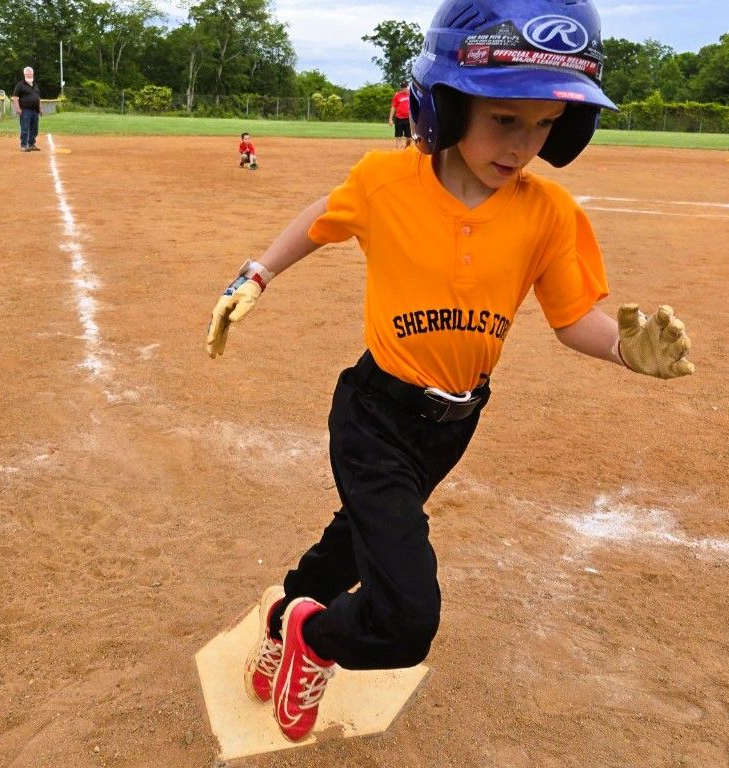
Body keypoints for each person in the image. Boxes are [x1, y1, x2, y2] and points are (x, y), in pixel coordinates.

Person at [205, 0, 695, 745]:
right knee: (406, 620)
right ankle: (318, 638)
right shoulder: (385, 181)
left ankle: (291, 612)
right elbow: (321, 216)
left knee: (355, 536)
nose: (524, 144)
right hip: (372, 413)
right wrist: (258, 274)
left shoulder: (548, 213)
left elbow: (574, 322)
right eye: (506, 119)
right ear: (448, 104)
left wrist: (629, 350)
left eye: (544, 125)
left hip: (454, 423)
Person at [12, 67, 42, 152]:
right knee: (25, 128)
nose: (29, 75)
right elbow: (15, 97)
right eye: (27, 74)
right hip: (25, 110)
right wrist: (18, 108)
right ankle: (24, 145)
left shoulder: (35, 85)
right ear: (24, 74)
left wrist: (40, 108)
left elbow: (38, 98)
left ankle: (31, 144)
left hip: (35, 110)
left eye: (30, 74)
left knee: (34, 129)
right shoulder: (20, 85)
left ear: (33, 74)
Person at [388, 80, 412, 149]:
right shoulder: (397, 95)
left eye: (405, 87)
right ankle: (398, 151)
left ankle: (407, 149)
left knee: (409, 138)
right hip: (399, 119)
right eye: (402, 87)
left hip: (408, 119)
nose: (403, 88)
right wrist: (390, 119)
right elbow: (393, 107)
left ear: (407, 86)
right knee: (399, 136)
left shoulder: (411, 95)